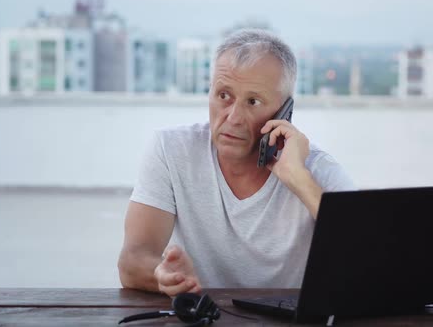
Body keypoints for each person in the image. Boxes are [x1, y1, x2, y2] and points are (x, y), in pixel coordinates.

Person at [117, 29, 356, 297]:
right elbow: (133, 259)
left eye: (253, 102)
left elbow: (366, 256)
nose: (233, 118)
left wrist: (299, 179)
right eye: (224, 96)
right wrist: (161, 276)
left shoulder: (316, 169)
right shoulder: (172, 150)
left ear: (284, 112)